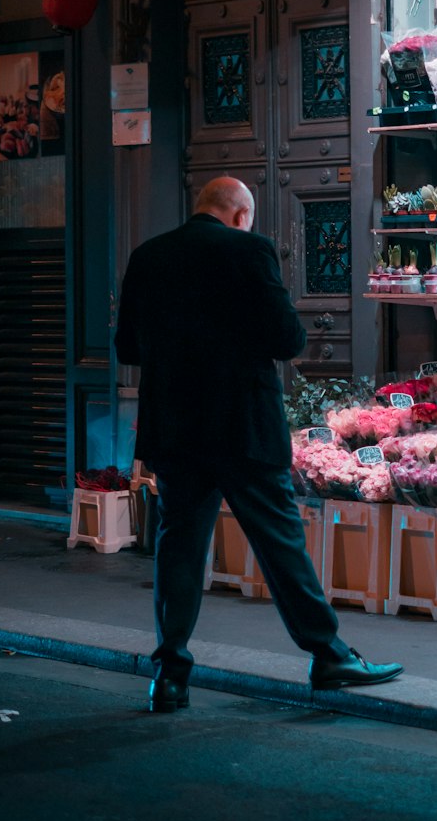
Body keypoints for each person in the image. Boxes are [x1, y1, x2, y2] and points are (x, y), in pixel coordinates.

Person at [114, 176, 402, 712]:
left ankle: (170, 673)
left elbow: (127, 344)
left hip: (175, 428)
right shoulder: (250, 250)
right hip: (241, 425)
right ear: (241, 214)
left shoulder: (149, 255)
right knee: (279, 541)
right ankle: (328, 655)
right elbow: (286, 338)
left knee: (178, 546)